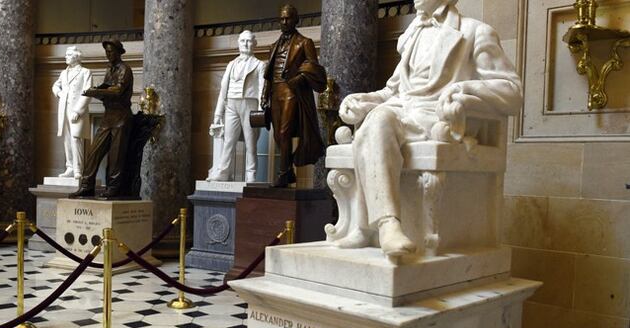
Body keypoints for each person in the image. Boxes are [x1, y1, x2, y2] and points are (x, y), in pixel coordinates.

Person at [336, 0, 522, 256]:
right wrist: (363, 100)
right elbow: (394, 90)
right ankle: (381, 225)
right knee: (376, 118)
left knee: (377, 121)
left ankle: (383, 226)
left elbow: (511, 92)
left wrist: (462, 89)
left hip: (435, 116)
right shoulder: (412, 34)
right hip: (402, 109)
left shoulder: (475, 32)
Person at [261, 4, 326, 188]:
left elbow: (313, 67)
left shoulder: (305, 42)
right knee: (278, 137)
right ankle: (288, 172)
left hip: (291, 91)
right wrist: (265, 93)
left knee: (285, 132)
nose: (284, 22)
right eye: (281, 18)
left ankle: (283, 174)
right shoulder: (274, 46)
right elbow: (269, 72)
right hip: (275, 91)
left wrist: (300, 77)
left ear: (296, 19)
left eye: (288, 18)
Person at [70, 40, 133, 199]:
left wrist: (97, 92)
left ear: (119, 52)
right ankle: (86, 186)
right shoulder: (109, 70)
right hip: (108, 116)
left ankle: (113, 188)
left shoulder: (125, 69)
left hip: (121, 117)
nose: (108, 54)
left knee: (116, 156)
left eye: (111, 51)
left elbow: (118, 90)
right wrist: (95, 91)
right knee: (93, 152)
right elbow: (106, 86)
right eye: (107, 52)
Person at [208, 30, 265, 183]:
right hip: (231, 104)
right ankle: (223, 172)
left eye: (249, 41)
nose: (246, 44)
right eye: (243, 41)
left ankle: (251, 173)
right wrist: (218, 113)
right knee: (229, 141)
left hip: (249, 104)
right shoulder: (231, 64)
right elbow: (223, 90)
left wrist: (260, 110)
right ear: (239, 43)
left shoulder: (260, 65)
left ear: (255, 44)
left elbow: (261, 89)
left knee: (250, 141)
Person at [52, 46, 92, 179]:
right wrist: (59, 92)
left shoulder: (85, 72)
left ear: (76, 57)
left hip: (76, 111)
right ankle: (69, 167)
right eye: (66, 55)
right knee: (67, 139)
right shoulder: (64, 73)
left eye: (68, 55)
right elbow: (55, 85)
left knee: (76, 139)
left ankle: (78, 169)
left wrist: (78, 111)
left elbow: (87, 92)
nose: (66, 57)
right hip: (64, 109)